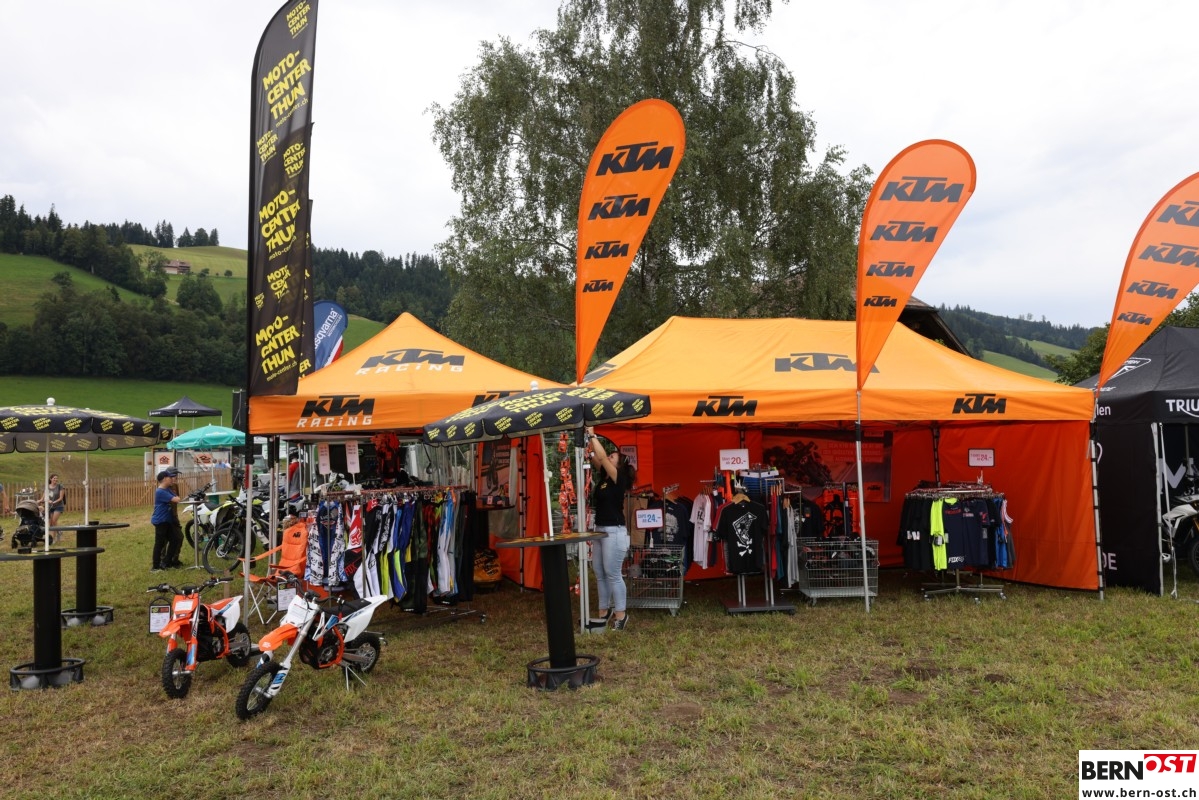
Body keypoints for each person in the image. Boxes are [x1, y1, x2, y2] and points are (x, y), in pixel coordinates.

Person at [583, 426, 636, 631]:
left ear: (618, 465)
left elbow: (602, 457)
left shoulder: (618, 478)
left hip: (614, 531)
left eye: (613, 456)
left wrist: (593, 434)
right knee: (599, 572)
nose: (609, 457)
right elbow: (597, 458)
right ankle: (603, 612)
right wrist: (587, 441)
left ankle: (621, 615)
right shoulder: (605, 477)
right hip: (600, 529)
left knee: (612, 573)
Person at [151, 467, 185, 571]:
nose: (172, 479)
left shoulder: (167, 489)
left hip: (167, 520)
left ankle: (166, 562)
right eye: (170, 478)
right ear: (165, 479)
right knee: (159, 543)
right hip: (161, 521)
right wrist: (176, 498)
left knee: (175, 539)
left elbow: (177, 497)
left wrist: (176, 497)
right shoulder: (160, 491)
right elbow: (176, 499)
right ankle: (155, 567)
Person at [38, 473, 66, 538]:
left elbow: (61, 498)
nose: (56, 479)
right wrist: (39, 501)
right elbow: (43, 498)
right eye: (54, 478)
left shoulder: (60, 486)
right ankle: (59, 532)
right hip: (50, 507)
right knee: (50, 523)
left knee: (54, 521)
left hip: (58, 506)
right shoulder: (47, 487)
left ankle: (53, 538)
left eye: (56, 478)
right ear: (51, 479)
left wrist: (53, 502)